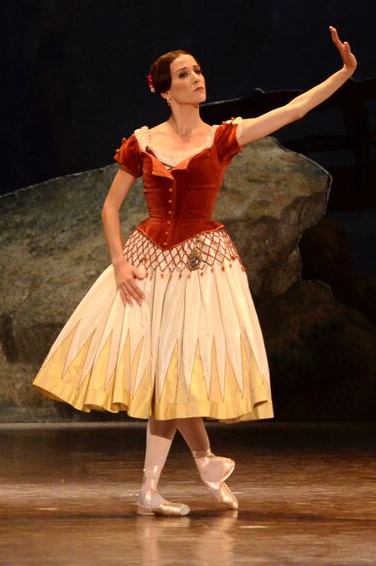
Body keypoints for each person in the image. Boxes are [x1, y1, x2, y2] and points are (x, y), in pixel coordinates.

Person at [33, 26, 358, 515]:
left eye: (198, 70)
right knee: (168, 373)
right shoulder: (142, 143)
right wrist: (119, 264)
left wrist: (345, 72)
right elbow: (109, 207)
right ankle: (183, 472)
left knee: (177, 372)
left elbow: (291, 111)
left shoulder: (222, 136)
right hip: (147, 264)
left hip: (200, 265)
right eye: (185, 74)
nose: (197, 78)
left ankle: (190, 468)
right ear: (166, 90)